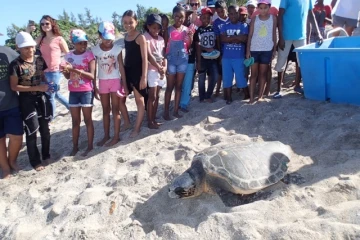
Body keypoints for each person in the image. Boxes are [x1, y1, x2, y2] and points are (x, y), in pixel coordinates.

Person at [9, 32, 52, 171]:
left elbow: (43, 75)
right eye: (26, 48)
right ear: (19, 48)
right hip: (26, 100)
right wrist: (36, 87)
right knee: (32, 130)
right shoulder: (15, 64)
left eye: (32, 47)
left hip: (41, 98)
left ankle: (46, 155)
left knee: (45, 129)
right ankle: (35, 161)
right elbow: (14, 86)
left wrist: (48, 84)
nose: (30, 50)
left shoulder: (39, 59)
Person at [92, 21, 131, 146]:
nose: (108, 41)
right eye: (105, 38)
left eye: (109, 38)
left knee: (115, 109)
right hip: (102, 82)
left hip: (115, 81)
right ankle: (106, 135)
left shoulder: (117, 49)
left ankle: (116, 136)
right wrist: (94, 86)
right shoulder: (95, 50)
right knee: (105, 110)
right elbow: (93, 70)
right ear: (100, 36)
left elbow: (121, 67)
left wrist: (124, 84)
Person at [274, 0, 322, 98]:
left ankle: (297, 85)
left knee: (302, 62)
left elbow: (311, 14)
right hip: (286, 35)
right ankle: (278, 90)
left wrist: (318, 33)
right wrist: (281, 37)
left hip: (301, 36)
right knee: (281, 61)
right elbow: (280, 15)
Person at [62, 29, 96, 156]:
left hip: (86, 91)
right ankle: (75, 147)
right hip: (73, 92)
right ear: (74, 43)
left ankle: (90, 146)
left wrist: (74, 70)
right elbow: (67, 77)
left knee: (88, 120)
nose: (83, 46)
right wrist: (65, 71)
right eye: (80, 43)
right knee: (75, 121)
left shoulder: (89, 55)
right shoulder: (68, 56)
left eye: (85, 43)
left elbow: (92, 76)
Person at [32, 15, 70, 118]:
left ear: (52, 24)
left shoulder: (59, 39)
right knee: (55, 94)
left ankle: (50, 118)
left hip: (55, 71)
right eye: (42, 24)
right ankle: (71, 107)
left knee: (50, 96)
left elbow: (68, 55)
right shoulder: (41, 38)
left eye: (47, 23)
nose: (45, 25)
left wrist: (65, 65)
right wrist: (28, 30)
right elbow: (29, 46)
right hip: (43, 71)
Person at [120, 10, 148, 137]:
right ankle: (127, 123)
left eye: (131, 22)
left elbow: (144, 58)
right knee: (121, 99)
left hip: (138, 72)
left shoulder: (140, 37)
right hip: (127, 71)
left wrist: (144, 77)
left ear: (136, 22)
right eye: (125, 22)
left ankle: (136, 129)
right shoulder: (125, 37)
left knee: (139, 101)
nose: (128, 25)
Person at [163, 6, 193, 120]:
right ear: (173, 16)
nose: (179, 19)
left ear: (184, 18)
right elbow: (165, 46)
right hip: (171, 61)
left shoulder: (186, 30)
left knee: (179, 87)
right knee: (169, 87)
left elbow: (188, 46)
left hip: (183, 61)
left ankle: (175, 111)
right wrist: (164, 61)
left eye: (182, 17)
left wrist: (190, 37)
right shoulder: (169, 30)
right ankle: (166, 112)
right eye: (177, 16)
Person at [246, 0, 277, 104]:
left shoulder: (273, 18)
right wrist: (247, 51)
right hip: (254, 50)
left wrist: (274, 49)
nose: (263, 10)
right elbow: (250, 35)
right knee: (253, 74)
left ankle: (260, 96)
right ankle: (251, 98)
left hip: (267, 50)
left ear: (269, 7)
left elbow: (274, 34)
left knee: (263, 74)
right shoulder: (254, 19)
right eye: (261, 8)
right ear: (258, 8)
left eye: (265, 7)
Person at [0, 44, 23, 179]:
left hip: (11, 103)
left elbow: (24, 66)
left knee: (16, 137)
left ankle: (12, 160)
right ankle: (5, 167)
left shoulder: (8, 52)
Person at [220, 5, 250, 104]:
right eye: (231, 14)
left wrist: (230, 37)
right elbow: (223, 39)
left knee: (241, 77)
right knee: (227, 78)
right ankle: (228, 98)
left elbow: (244, 39)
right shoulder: (224, 25)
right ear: (228, 14)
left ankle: (247, 94)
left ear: (239, 13)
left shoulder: (244, 25)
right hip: (226, 58)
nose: (233, 15)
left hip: (239, 57)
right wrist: (237, 38)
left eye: (236, 13)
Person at [143, 14, 167, 129]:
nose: (156, 30)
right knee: (151, 96)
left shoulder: (161, 39)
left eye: (158, 28)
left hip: (160, 70)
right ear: (148, 26)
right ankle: (149, 121)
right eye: (153, 28)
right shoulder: (146, 37)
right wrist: (158, 67)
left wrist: (164, 68)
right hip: (152, 70)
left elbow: (163, 55)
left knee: (157, 95)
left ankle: (154, 117)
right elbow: (148, 55)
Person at [195, 7, 219, 102]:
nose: (206, 20)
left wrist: (217, 52)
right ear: (200, 18)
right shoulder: (198, 30)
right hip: (203, 57)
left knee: (215, 76)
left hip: (213, 57)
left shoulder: (214, 28)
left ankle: (208, 95)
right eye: (204, 17)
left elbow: (217, 42)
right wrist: (199, 61)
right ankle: (201, 97)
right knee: (201, 78)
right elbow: (197, 46)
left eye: (208, 18)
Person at [213, 0, 229, 97]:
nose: (220, 14)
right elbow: (217, 39)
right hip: (222, 51)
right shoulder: (216, 23)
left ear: (225, 9)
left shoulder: (232, 19)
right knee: (220, 72)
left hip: (232, 50)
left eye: (222, 11)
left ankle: (228, 90)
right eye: (218, 12)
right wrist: (219, 53)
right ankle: (218, 90)